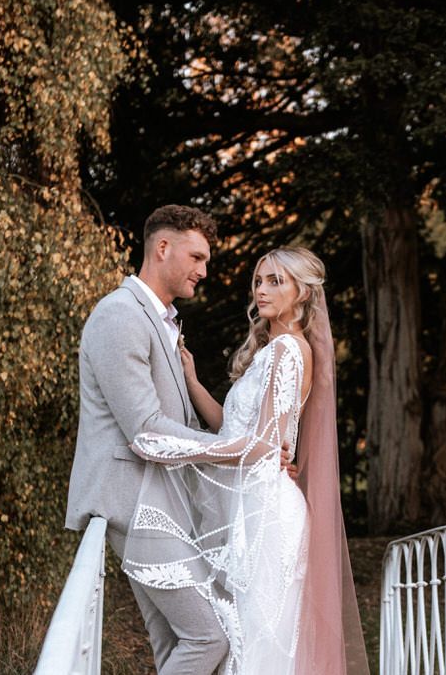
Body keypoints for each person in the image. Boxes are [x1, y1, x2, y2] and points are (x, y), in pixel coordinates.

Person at [122, 247, 370, 675]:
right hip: (251, 504)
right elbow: (235, 432)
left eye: (276, 281)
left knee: (258, 645)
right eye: (259, 280)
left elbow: (262, 447)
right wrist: (193, 383)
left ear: (302, 293)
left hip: (267, 516)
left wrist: (180, 451)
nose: (262, 290)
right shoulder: (272, 350)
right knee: (243, 639)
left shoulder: (290, 351)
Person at [64, 204, 231, 674]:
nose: (203, 271)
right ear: (162, 248)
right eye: (197, 257)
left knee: (175, 645)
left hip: (162, 502)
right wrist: (235, 452)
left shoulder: (163, 319)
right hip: (133, 503)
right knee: (209, 636)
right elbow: (147, 429)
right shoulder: (119, 315)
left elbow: (180, 422)